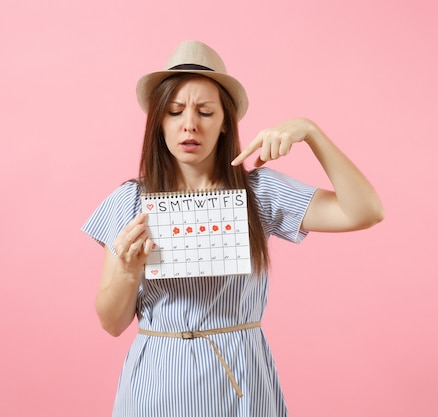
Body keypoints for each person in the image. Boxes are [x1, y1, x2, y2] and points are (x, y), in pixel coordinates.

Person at [81, 40, 384, 417]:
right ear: (159, 122)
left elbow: (365, 211)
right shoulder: (129, 201)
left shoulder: (258, 191)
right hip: (156, 383)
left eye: (205, 112)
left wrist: (311, 132)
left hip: (240, 379)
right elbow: (111, 323)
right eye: (175, 112)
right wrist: (128, 271)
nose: (189, 123)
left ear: (225, 124)